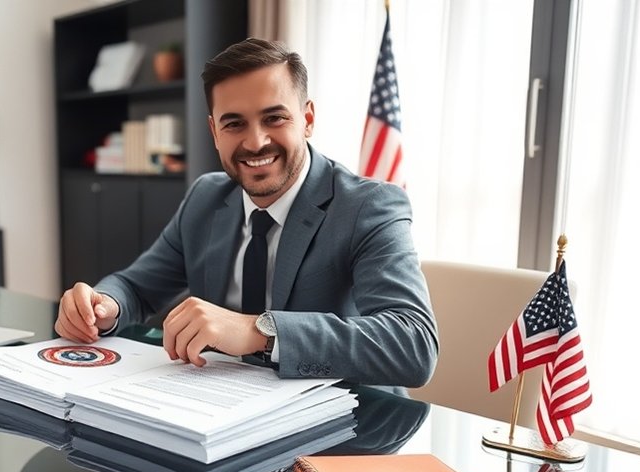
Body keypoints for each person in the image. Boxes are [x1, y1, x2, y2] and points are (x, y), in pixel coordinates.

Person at [55, 38, 437, 390]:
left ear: (307, 119)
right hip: (222, 415)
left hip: (344, 432)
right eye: (234, 123)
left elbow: (413, 344)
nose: (255, 142)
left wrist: (261, 331)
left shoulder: (367, 206)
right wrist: (104, 305)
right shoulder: (205, 197)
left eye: (274, 118)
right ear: (214, 131)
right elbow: (137, 288)